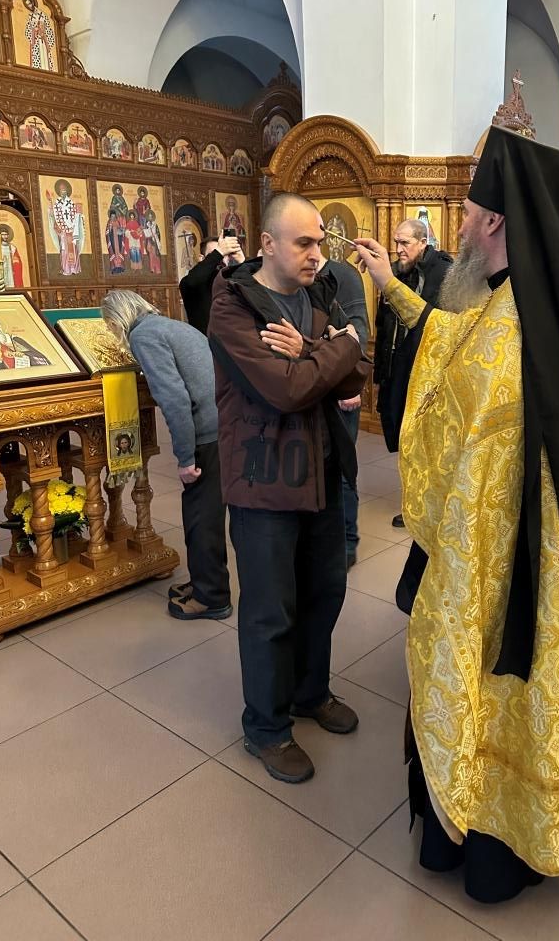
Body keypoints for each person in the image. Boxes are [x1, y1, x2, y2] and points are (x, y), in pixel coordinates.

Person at [352, 123, 559, 904]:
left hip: (499, 564)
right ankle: (499, 838)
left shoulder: (510, 334)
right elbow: (450, 336)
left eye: (471, 212)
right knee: (513, 706)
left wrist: (449, 564)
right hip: (516, 553)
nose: (464, 225)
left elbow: (460, 426)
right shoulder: (519, 305)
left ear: (497, 221)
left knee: (489, 694)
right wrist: (395, 288)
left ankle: (486, 848)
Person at [208, 192, 370, 785]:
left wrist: (317, 353)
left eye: (320, 241)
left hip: (321, 475)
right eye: (303, 242)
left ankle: (309, 692)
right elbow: (285, 389)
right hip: (264, 481)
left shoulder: (318, 294)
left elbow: (356, 375)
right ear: (268, 243)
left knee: (324, 593)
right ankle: (266, 726)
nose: (316, 253)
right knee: (270, 610)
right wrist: (339, 346)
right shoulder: (233, 306)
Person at [101, 289, 231, 621]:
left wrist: (186, 458)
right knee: (206, 514)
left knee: (201, 519)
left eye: (110, 326)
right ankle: (204, 583)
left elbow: (174, 399)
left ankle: (211, 597)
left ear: (117, 320)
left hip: (207, 434)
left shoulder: (143, 336)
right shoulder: (168, 325)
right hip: (225, 424)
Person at [373, 219, 451, 527]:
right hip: (397, 370)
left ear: (422, 242)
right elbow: (384, 324)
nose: (399, 249)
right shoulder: (396, 272)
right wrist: (380, 374)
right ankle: (414, 503)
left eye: (405, 243)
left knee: (425, 442)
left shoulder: (442, 272)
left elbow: (439, 324)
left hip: (426, 374)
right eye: (396, 242)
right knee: (405, 439)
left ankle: (425, 506)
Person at [317, 241, 370, 568]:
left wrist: (352, 382)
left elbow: (358, 332)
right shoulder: (290, 279)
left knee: (343, 468)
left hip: (340, 390)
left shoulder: (343, 275)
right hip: (310, 388)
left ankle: (347, 542)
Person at [179, 234, 245, 335]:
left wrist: (242, 262)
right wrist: (218, 252)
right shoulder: (191, 282)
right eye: (213, 254)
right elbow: (192, 281)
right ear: (202, 258)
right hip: (205, 342)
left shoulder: (233, 279)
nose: (220, 258)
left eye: (224, 254)